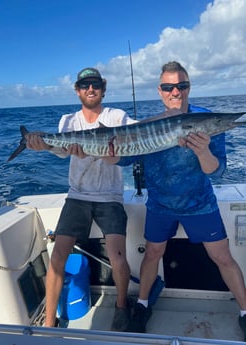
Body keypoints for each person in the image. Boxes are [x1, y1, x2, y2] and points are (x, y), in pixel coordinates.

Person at [105, 61, 246, 338]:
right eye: (169, 87)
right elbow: (123, 158)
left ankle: (245, 310)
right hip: (160, 205)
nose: (175, 91)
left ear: (189, 87)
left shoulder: (207, 120)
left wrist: (203, 151)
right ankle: (143, 305)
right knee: (152, 254)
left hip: (200, 203)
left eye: (181, 85)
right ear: (160, 91)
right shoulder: (149, 125)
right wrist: (103, 152)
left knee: (222, 257)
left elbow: (216, 171)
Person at [26, 67, 136, 331]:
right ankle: (50, 321)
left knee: (118, 258)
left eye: (95, 84)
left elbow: (138, 138)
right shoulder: (68, 120)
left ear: (103, 89)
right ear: (77, 90)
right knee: (57, 256)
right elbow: (62, 151)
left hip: (110, 196)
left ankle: (121, 306)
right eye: (85, 85)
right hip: (77, 195)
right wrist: (42, 144)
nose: (90, 89)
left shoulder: (117, 116)